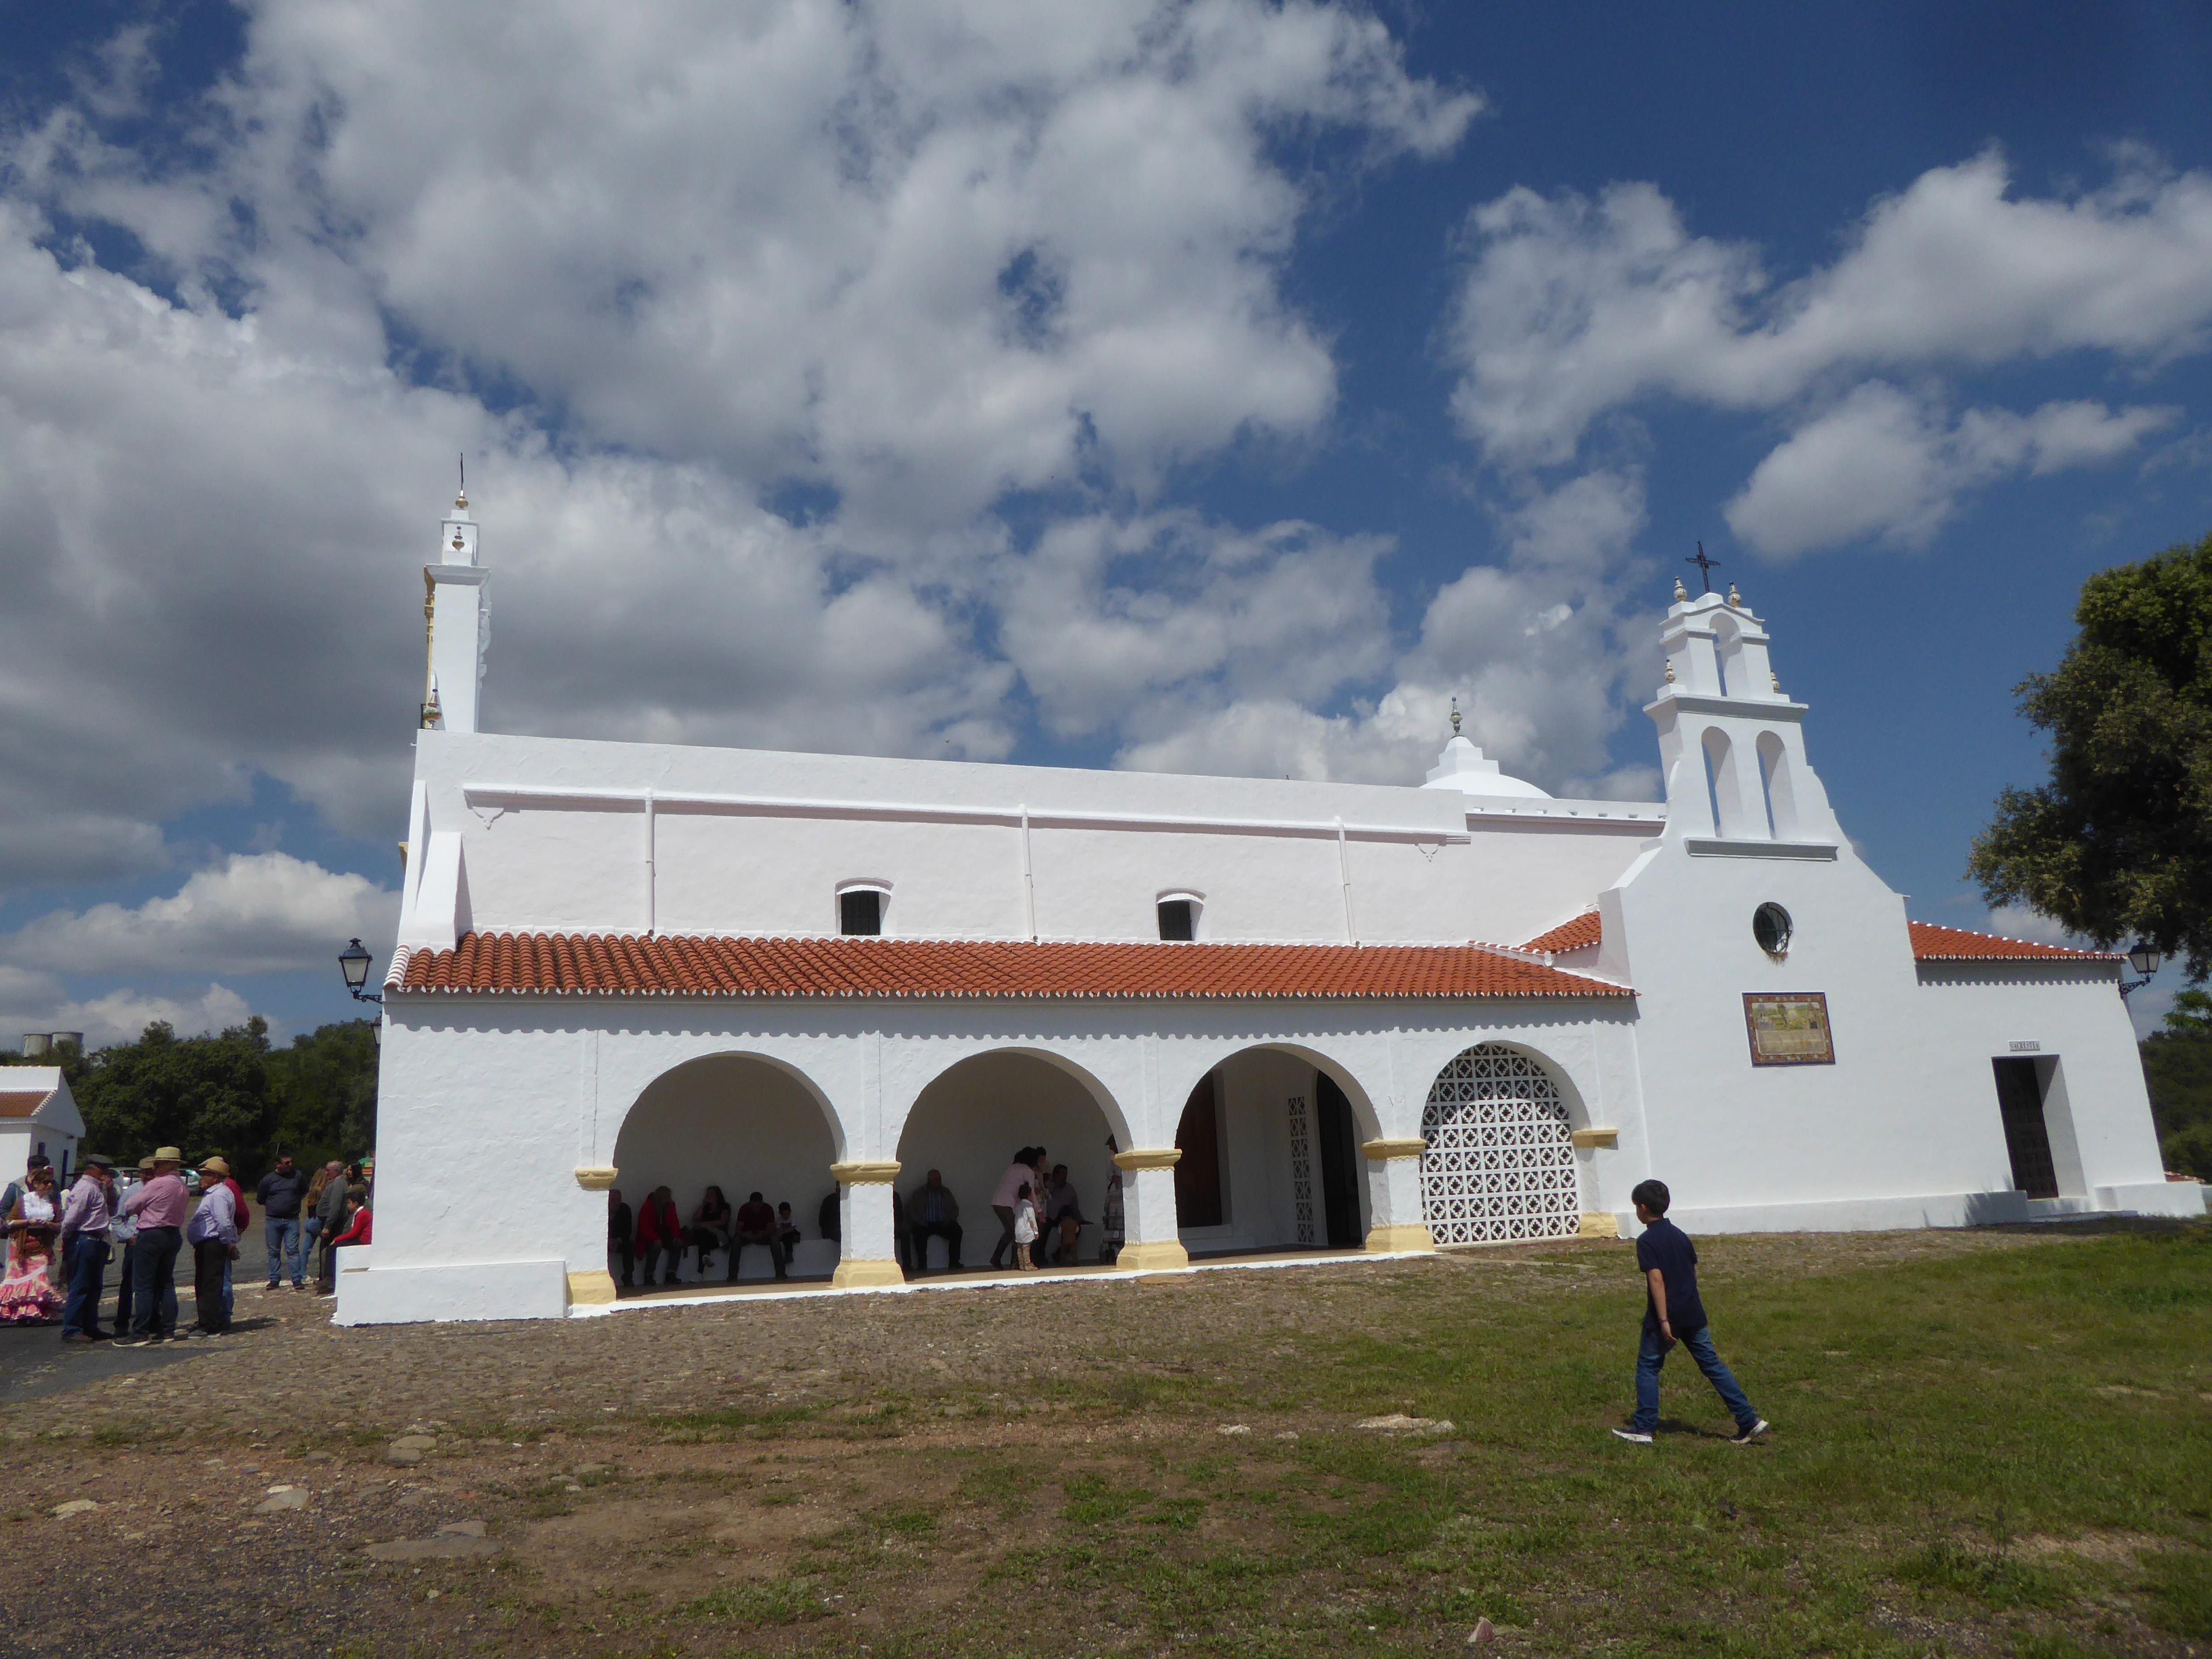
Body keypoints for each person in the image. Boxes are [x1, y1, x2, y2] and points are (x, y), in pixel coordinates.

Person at [1612, 1179, 1768, 1447]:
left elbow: (1657, 1281)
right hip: (1694, 1313)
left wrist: (1663, 1320)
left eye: (1636, 1207)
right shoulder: (1680, 1236)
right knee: (1713, 1366)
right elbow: (1691, 1271)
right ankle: (1748, 1420)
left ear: (1644, 1208)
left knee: (1648, 1367)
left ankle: (1643, 1427)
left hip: (1667, 1316)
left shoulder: (1647, 1241)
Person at [115, 1148, 187, 1345]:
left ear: (170, 1164)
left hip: (151, 1233)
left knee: (144, 1285)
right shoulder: (181, 1185)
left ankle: (141, 1332)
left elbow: (130, 1206)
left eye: (159, 1163)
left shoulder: (157, 1184)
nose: (155, 1168)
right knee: (166, 1283)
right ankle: (167, 1330)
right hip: (173, 1233)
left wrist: (143, 1209)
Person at [56, 1154, 117, 1341]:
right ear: (95, 1169)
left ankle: (90, 1326)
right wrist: (66, 1239)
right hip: (85, 1239)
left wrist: (111, 1190)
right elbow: (72, 1218)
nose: (106, 1174)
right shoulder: (85, 1188)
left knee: (94, 1287)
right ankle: (72, 1328)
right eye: (104, 1170)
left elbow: (112, 1211)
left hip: (97, 1239)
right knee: (81, 1286)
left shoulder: (98, 1188)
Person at [0, 1164, 66, 1324]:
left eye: (50, 1182)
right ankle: (22, 1313)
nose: (48, 1185)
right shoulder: (24, 1201)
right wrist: (28, 1221)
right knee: (21, 1280)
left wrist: (49, 1225)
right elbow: (9, 1222)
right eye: (44, 1183)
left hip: (41, 1244)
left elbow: (60, 1224)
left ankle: (36, 1312)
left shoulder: (53, 1203)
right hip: (21, 1244)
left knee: (40, 1278)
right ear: (36, 1184)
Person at [183, 1158, 239, 1336]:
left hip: (213, 1243)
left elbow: (223, 1222)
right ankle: (206, 1320)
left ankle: (210, 1323)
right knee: (205, 1282)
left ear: (215, 1177)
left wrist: (226, 1242)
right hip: (208, 1243)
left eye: (204, 1174)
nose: (201, 1177)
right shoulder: (214, 1193)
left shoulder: (219, 1195)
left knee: (210, 1284)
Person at [257, 1153, 309, 1290]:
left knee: (293, 1250)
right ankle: (274, 1279)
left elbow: (305, 1191)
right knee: (274, 1252)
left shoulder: (297, 1176)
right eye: (286, 1163)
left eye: (291, 1162)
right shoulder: (269, 1180)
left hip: (292, 1220)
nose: (290, 1165)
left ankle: (297, 1279)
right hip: (273, 1220)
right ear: (278, 1164)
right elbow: (260, 1199)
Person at [989, 1147, 1036, 1270]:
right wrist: (1039, 1211)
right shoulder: (1028, 1171)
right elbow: (1031, 1193)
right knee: (1016, 1233)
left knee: (1011, 1232)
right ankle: (1015, 1262)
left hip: (997, 1202)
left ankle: (999, 1258)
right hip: (1007, 1204)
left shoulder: (1011, 1168)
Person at [908, 1169, 962, 1274]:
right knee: (918, 1233)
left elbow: (955, 1208)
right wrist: (919, 1221)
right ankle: (922, 1265)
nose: (938, 1181)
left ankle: (954, 1262)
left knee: (957, 1231)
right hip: (925, 1224)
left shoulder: (946, 1192)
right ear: (929, 1180)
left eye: (939, 1179)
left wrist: (950, 1220)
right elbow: (912, 1209)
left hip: (943, 1223)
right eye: (935, 1179)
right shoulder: (919, 1193)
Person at [313, 1160, 350, 1295]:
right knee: (325, 1251)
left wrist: (328, 1226)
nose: (326, 1173)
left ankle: (328, 1281)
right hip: (329, 1222)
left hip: (334, 1225)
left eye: (329, 1170)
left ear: (336, 1171)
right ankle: (325, 1278)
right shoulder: (335, 1183)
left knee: (328, 1252)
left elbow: (335, 1207)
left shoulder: (338, 1184)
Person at [635, 1187, 682, 1286]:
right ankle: (649, 1275)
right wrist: (654, 1238)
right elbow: (644, 1227)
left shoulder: (671, 1206)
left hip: (664, 1235)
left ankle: (671, 1274)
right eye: (666, 1197)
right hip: (648, 1238)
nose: (669, 1200)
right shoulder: (648, 1207)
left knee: (677, 1245)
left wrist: (676, 1237)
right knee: (655, 1246)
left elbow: (674, 1223)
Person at [732, 1191, 784, 1280]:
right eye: (753, 1207)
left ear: (762, 1204)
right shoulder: (744, 1209)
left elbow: (771, 1229)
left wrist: (763, 1234)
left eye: (758, 1207)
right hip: (747, 1236)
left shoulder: (768, 1209)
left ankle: (781, 1273)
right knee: (736, 1241)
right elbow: (738, 1229)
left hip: (764, 1236)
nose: (755, 1209)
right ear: (750, 1204)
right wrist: (746, 1235)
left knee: (775, 1240)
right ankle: (732, 1275)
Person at [1045, 1163, 1087, 1266]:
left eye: (1066, 1175)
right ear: (1055, 1175)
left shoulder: (1070, 1188)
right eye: (1062, 1175)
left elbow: (1074, 1207)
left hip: (1066, 1218)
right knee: (1044, 1230)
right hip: (1050, 1218)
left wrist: (1080, 1220)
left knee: (1075, 1230)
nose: (1064, 1178)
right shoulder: (1049, 1187)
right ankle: (1039, 1256)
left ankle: (1060, 1255)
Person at [687, 1187, 733, 1277]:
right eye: (707, 1194)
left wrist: (705, 1224)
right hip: (706, 1237)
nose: (709, 1196)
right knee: (703, 1237)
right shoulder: (706, 1208)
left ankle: (700, 1273)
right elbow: (695, 1220)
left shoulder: (725, 1207)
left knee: (704, 1237)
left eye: (712, 1194)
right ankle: (705, 1259)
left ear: (718, 1195)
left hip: (718, 1238)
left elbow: (723, 1221)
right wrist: (703, 1205)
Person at [1100, 1136, 1125, 1266]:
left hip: (1124, 1195)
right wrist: (1114, 1178)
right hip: (1114, 1195)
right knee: (1112, 1217)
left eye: (1111, 1145)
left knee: (1122, 1217)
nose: (1111, 1148)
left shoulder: (1124, 1157)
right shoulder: (1114, 1160)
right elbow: (1109, 1174)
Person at [608, 1187, 634, 1289]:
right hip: (604, 1241)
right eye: (613, 1200)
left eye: (619, 1200)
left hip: (619, 1241)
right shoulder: (602, 1209)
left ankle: (628, 1278)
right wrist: (608, 1241)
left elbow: (628, 1230)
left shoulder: (625, 1210)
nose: (616, 1203)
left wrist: (618, 1241)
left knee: (630, 1246)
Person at [1011, 1181, 1040, 1271]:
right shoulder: (1029, 1206)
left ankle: (1021, 1265)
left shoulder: (1018, 1206)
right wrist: (1036, 1231)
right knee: (1026, 1248)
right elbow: (1032, 1220)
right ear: (1029, 1195)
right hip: (1026, 1230)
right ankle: (1028, 1264)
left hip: (1018, 1230)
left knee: (1019, 1249)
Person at [774, 1202, 804, 1271]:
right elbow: (778, 1230)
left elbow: (792, 1228)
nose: (786, 1217)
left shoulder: (793, 1218)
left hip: (795, 1234)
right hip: (786, 1236)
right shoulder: (779, 1220)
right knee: (786, 1238)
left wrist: (783, 1232)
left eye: (787, 1214)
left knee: (788, 1235)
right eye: (784, 1215)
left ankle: (789, 1254)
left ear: (790, 1212)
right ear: (780, 1213)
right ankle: (788, 1255)